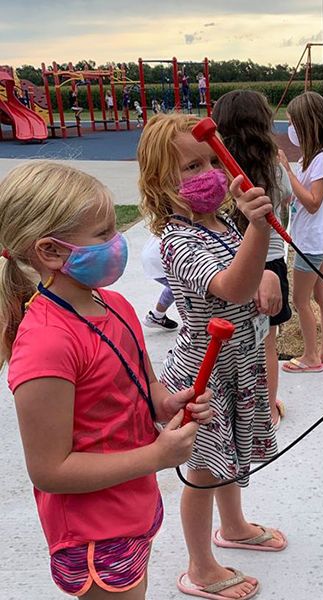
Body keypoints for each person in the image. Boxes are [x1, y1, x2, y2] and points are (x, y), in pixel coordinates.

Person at [0, 161, 214, 599]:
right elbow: (49, 470)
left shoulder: (114, 303)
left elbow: (144, 385)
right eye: (102, 234)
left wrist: (166, 403)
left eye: (114, 229)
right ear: (50, 251)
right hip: (93, 532)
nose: (117, 242)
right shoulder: (46, 344)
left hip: (131, 505)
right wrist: (157, 455)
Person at [138, 113, 287, 600]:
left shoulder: (219, 221)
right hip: (203, 374)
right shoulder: (176, 240)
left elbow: (244, 270)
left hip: (236, 364)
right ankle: (200, 567)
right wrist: (260, 230)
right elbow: (230, 285)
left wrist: (266, 273)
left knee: (230, 457)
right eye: (189, 167)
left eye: (209, 160)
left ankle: (235, 526)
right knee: (202, 472)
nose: (207, 174)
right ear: (159, 183)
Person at [212, 89, 292, 429]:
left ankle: (230, 410)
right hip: (270, 263)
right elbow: (287, 202)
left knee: (231, 343)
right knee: (267, 343)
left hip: (229, 263)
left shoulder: (220, 172)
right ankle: (267, 410)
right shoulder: (274, 172)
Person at [279, 91, 323, 374]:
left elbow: (314, 202)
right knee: (322, 296)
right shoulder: (310, 158)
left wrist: (286, 172)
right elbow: (303, 198)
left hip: (311, 242)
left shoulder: (322, 159)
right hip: (315, 238)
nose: (289, 129)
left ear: (305, 123)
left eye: (292, 123)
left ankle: (311, 356)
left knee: (300, 300)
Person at [141, 234, 179, 330]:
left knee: (175, 287)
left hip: (153, 255)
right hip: (160, 260)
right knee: (181, 287)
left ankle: (156, 316)